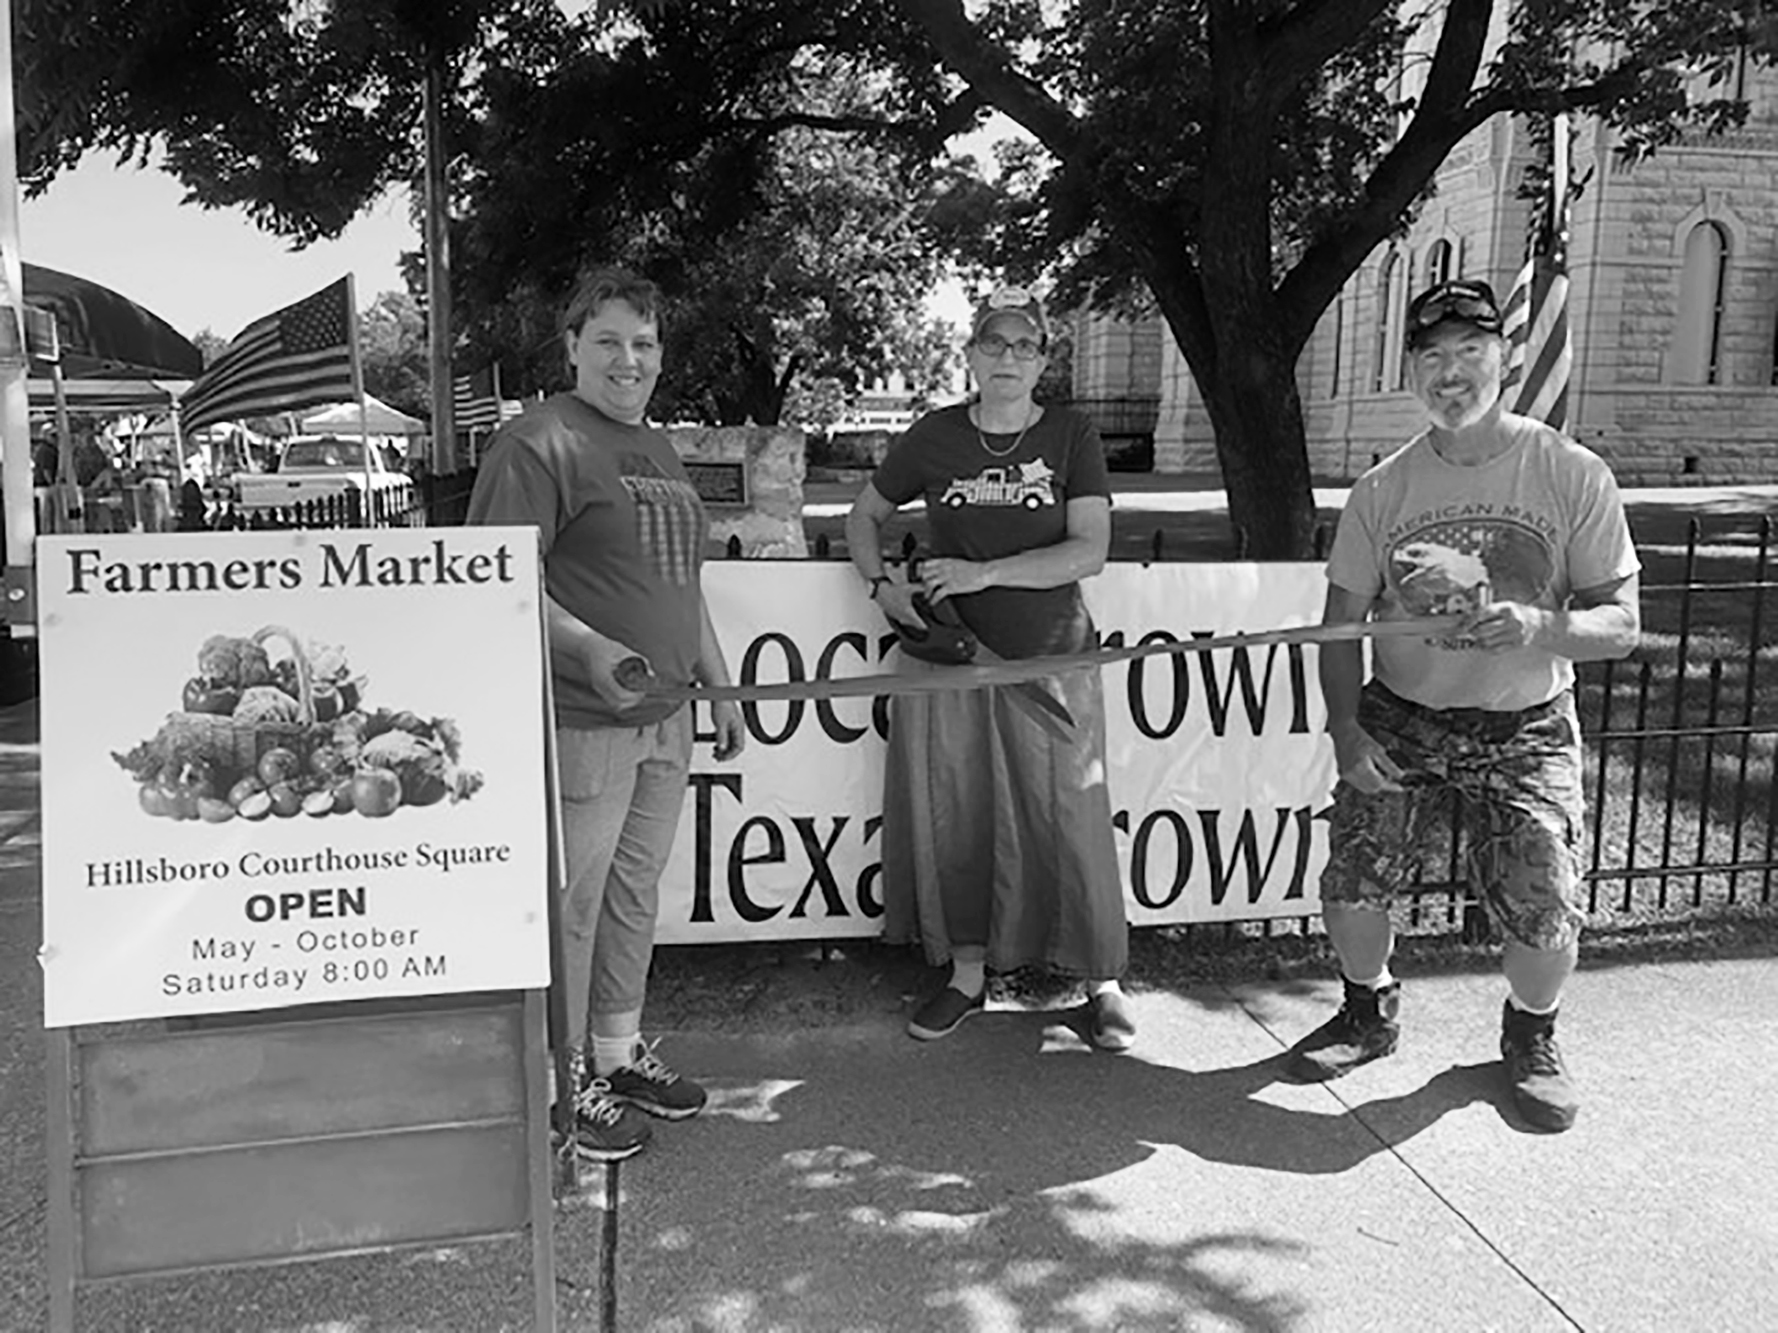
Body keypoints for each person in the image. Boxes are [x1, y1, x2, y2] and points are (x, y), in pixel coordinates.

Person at [1290, 278, 1640, 1132]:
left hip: (1525, 723)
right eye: (1434, 356)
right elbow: (1340, 629)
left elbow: (1623, 624)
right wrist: (1344, 732)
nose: (1452, 373)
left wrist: (1540, 623)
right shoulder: (1382, 490)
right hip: (1404, 713)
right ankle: (1368, 1009)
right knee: (1351, 887)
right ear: (1414, 370)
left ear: (1504, 357)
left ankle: (1530, 1034)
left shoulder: (1570, 472)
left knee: (1545, 902)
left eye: (1470, 352)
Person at [466, 267, 746, 1161]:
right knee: (573, 906)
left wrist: (720, 680)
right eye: (610, 342)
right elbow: (501, 577)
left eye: (645, 344)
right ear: (572, 348)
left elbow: (680, 580)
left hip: (667, 715)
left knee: (633, 897)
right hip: (583, 720)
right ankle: (562, 1081)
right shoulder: (535, 442)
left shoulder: (657, 447)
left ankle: (619, 1054)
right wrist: (589, 649)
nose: (630, 360)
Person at [845, 284, 1134, 1050]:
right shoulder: (935, 435)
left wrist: (982, 574)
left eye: (1024, 345)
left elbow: (1089, 552)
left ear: (1044, 359)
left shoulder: (1073, 435)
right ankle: (968, 974)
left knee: (1072, 814)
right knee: (961, 816)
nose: (1008, 357)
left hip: (1053, 653)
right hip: (953, 661)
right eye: (993, 343)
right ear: (970, 354)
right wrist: (881, 585)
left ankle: (1099, 978)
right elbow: (865, 514)